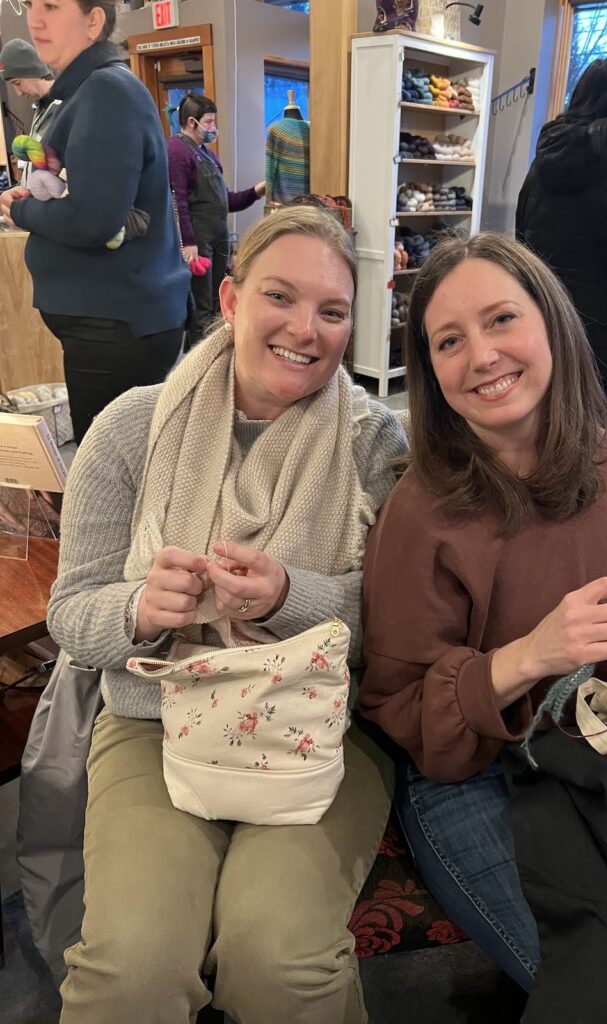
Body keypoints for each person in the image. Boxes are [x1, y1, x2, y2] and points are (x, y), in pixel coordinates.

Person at [47, 205, 408, 1023]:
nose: (305, 330)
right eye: (281, 297)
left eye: (333, 311)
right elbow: (71, 610)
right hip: (156, 714)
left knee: (278, 959)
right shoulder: (133, 427)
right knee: (131, 969)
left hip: (324, 726)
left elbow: (401, 628)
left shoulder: (374, 444)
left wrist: (290, 597)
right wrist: (141, 607)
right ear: (235, 300)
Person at [358, 232, 607, 991]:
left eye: (502, 319)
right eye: (449, 340)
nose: (481, 356)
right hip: (471, 777)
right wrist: (532, 655)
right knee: (596, 988)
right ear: (430, 370)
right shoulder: (418, 510)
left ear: (551, 323)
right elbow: (400, 710)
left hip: (603, 745)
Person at [0, 0, 188, 446]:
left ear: (93, 21)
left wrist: (20, 210)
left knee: (106, 480)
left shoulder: (106, 91)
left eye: (52, 6)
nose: (35, 19)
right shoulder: (88, 91)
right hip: (110, 320)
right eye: (32, 5)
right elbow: (91, 198)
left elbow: (93, 220)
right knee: (114, 468)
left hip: (114, 323)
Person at [516, 58, 607, 382]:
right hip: (597, 324)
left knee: (536, 408)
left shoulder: (543, 159)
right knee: (589, 419)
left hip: (540, 309)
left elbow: (521, 238)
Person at [167, 92, 266, 345]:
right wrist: (188, 243)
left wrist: (257, 191)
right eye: (209, 122)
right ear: (192, 122)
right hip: (199, 243)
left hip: (219, 239)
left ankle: (214, 356)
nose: (213, 128)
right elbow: (177, 201)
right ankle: (197, 365)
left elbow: (227, 201)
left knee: (217, 303)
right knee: (201, 308)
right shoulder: (177, 151)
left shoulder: (208, 155)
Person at [0, 37, 61, 184]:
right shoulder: (42, 107)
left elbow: (62, 177)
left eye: (18, 83)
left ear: (33, 71)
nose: (18, 93)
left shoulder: (63, 107)